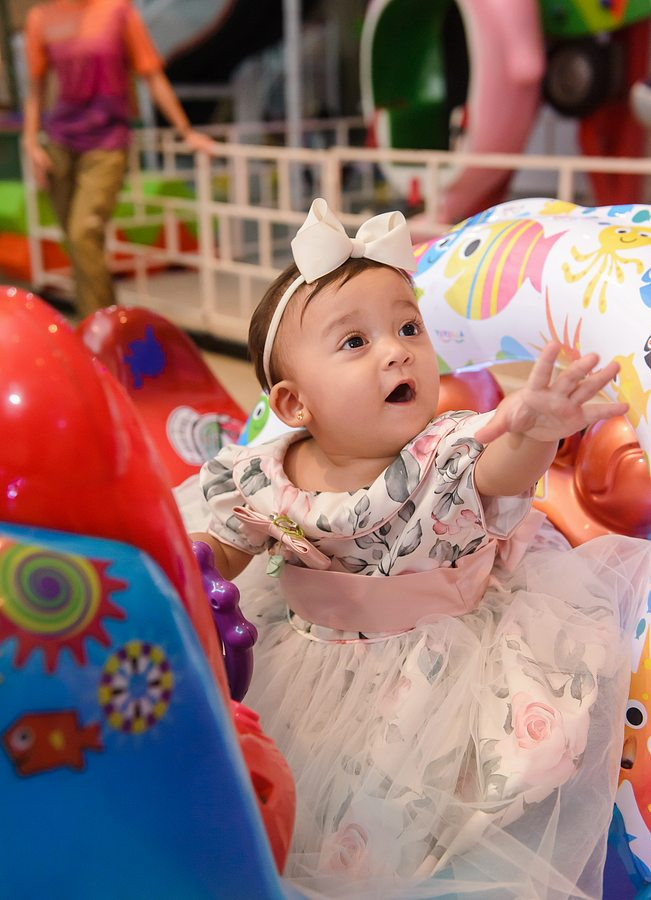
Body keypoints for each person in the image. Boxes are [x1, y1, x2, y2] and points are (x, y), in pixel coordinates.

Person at [191, 199, 650, 898]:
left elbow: (496, 472)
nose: (397, 348)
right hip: (310, 666)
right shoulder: (259, 474)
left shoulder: (443, 449)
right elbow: (227, 546)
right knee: (300, 809)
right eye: (355, 342)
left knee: (429, 833)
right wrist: (196, 570)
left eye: (408, 326)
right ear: (292, 404)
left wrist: (535, 434)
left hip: (440, 666)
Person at [21, 0, 216, 316]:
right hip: (59, 144)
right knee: (77, 242)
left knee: (84, 233)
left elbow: (151, 75)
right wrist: (30, 141)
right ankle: (98, 324)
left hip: (107, 141)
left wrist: (186, 131)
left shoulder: (117, 12)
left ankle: (100, 325)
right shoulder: (41, 18)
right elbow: (36, 88)